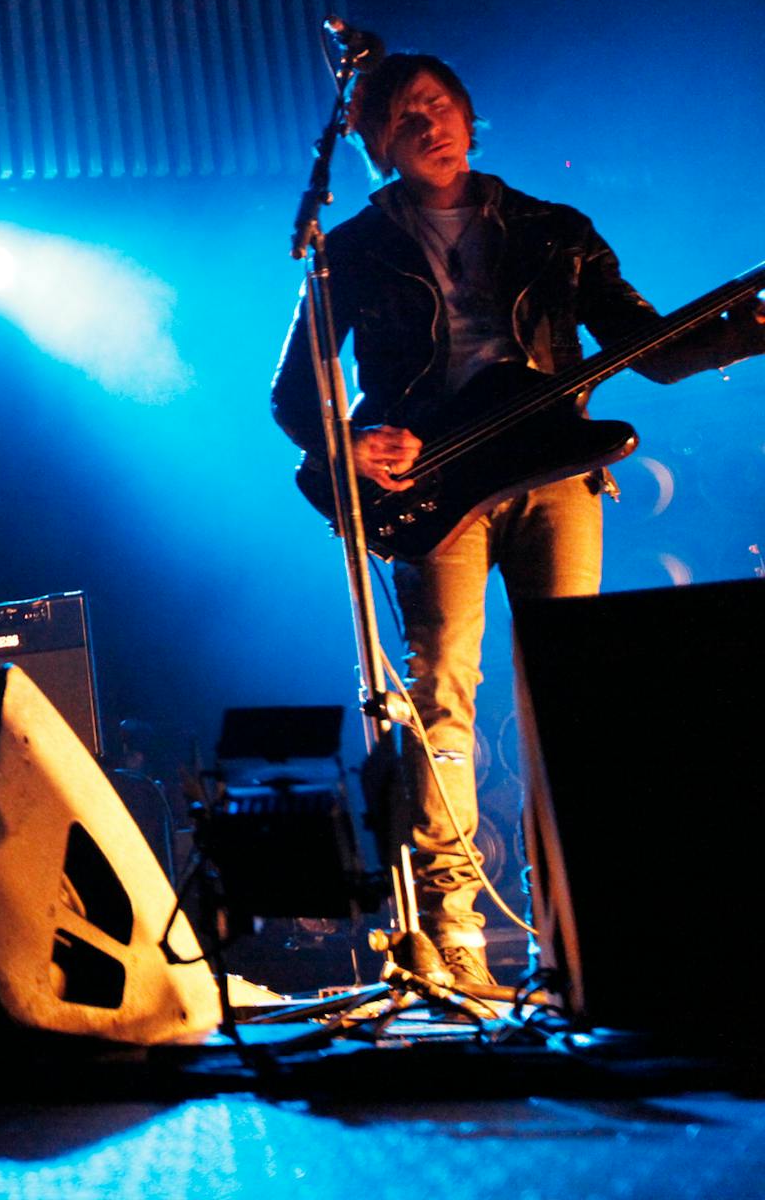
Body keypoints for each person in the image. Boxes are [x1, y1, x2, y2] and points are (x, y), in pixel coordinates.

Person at [270, 52, 765, 988]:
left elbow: (648, 353)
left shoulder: (552, 229)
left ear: (468, 113)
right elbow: (297, 394)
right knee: (442, 689)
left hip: (553, 473)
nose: (430, 123)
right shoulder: (354, 248)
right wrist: (354, 441)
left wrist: (750, 328)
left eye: (441, 104)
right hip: (435, 487)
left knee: (568, 686)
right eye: (406, 116)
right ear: (376, 142)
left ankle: (571, 925)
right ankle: (452, 931)